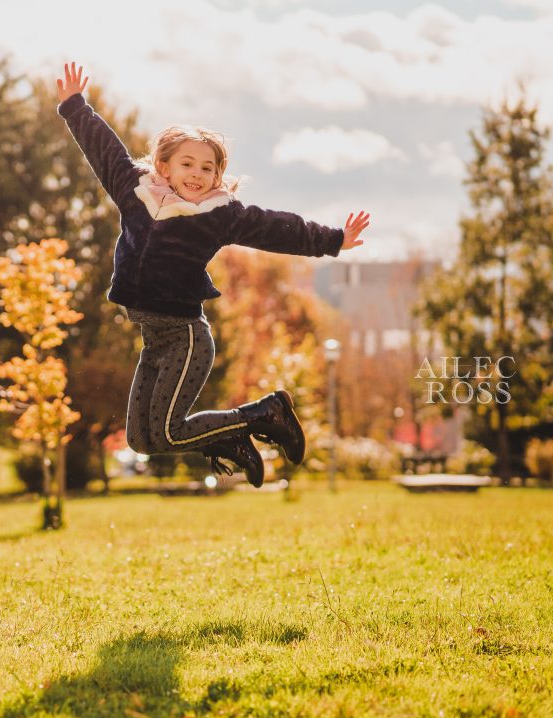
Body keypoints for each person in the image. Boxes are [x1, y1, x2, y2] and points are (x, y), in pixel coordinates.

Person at [55, 62, 370, 488]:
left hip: (185, 337)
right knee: (141, 439)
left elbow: (274, 228)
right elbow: (104, 150)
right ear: (164, 167)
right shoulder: (134, 192)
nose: (198, 175)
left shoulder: (218, 215)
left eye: (208, 168)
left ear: (218, 177)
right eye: (188, 164)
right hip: (155, 339)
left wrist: (331, 239)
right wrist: (76, 107)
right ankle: (230, 442)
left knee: (167, 430)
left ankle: (265, 414)